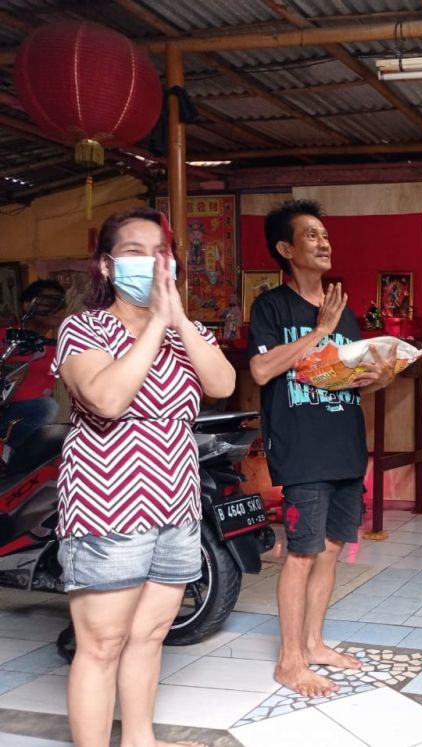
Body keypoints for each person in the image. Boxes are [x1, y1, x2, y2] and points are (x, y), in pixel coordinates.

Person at [52, 207, 236, 747]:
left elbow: (223, 382)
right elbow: (107, 399)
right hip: (107, 508)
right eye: (136, 251)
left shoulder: (188, 329)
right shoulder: (84, 328)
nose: (152, 263)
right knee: (102, 643)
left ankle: (140, 740)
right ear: (107, 266)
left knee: (150, 635)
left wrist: (176, 318)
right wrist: (155, 325)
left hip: (175, 505)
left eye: (161, 252)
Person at [248, 199, 397, 698]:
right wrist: (320, 332)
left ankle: (313, 643)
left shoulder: (343, 308)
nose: (323, 241)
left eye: (324, 234)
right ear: (286, 249)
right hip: (303, 447)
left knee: (332, 550)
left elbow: (347, 381)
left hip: (345, 445)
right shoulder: (271, 306)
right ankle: (289, 661)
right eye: (310, 235)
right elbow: (263, 370)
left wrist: (380, 376)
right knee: (302, 553)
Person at [0, 279, 66, 453]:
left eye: (61, 304)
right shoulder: (5, 336)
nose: (57, 310)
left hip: (27, 423)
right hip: (6, 413)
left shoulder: (59, 347)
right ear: (28, 305)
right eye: (48, 302)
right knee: (46, 407)